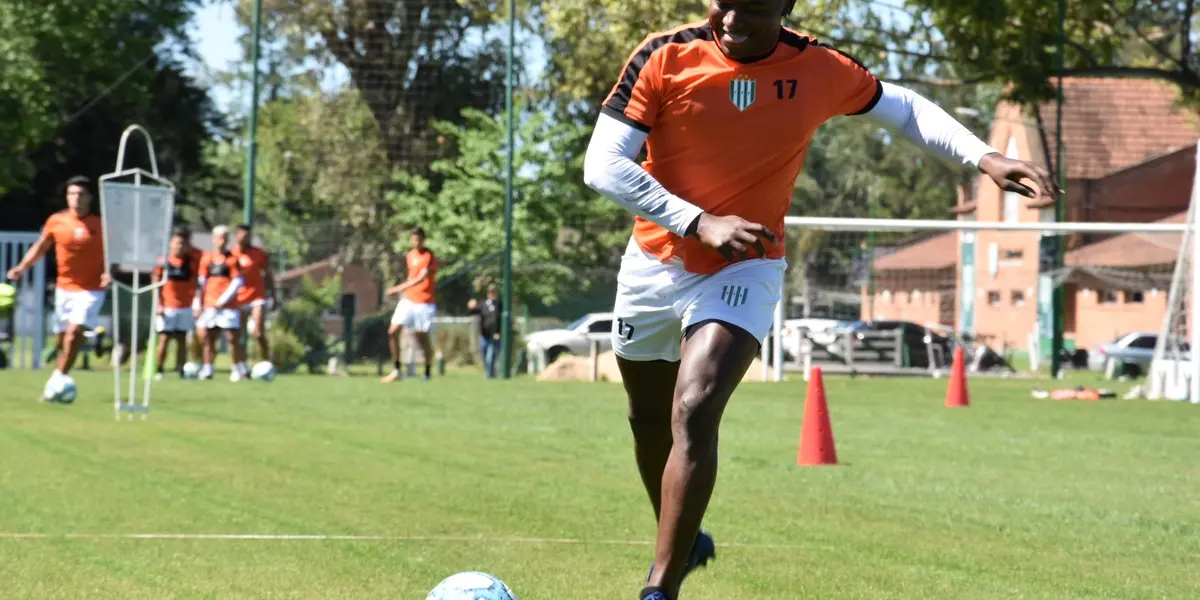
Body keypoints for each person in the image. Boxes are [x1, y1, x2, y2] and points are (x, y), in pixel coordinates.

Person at [582, 3, 1060, 600]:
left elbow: (902, 106)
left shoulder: (820, 67)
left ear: (784, 6)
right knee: (646, 418)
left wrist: (985, 157)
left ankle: (661, 587)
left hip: (747, 263)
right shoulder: (664, 56)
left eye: (751, 5)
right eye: (722, 0)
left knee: (696, 405)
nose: (731, 16)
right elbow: (602, 166)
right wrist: (696, 221)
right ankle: (681, 534)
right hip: (653, 262)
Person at [6, 176, 111, 400]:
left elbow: (115, 254)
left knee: (74, 333)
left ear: (90, 198)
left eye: (81, 194)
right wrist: (21, 267)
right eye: (72, 194)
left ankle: (59, 376)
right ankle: (66, 360)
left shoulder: (101, 225)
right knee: (63, 338)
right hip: (64, 289)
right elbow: (40, 247)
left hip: (91, 289)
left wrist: (109, 272)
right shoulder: (56, 221)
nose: (76, 199)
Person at [382, 227, 438, 383]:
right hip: (409, 299)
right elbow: (411, 276)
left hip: (424, 302)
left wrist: (397, 288)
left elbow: (421, 278)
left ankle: (427, 372)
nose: (416, 241)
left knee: (423, 338)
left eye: (419, 238)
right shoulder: (410, 255)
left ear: (423, 239)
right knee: (393, 331)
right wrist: (404, 291)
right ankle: (397, 370)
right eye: (414, 238)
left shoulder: (429, 256)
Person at [151, 228, 203, 379]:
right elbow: (155, 285)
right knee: (164, 339)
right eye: (177, 243)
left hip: (185, 307)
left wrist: (196, 303)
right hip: (167, 307)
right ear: (171, 244)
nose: (180, 246)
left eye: (183, 243)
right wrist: (158, 304)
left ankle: (181, 370)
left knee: (182, 340)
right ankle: (159, 370)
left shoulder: (191, 263)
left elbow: (196, 284)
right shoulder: (163, 262)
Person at [196, 225, 245, 381]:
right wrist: (199, 303)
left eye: (224, 238)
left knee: (232, 338)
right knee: (209, 338)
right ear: (213, 239)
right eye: (218, 237)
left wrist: (223, 300)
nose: (221, 241)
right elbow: (201, 283)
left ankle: (237, 369)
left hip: (228, 307)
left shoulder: (232, 259)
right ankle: (208, 368)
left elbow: (237, 281)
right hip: (210, 305)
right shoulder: (206, 259)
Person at [230, 223, 277, 369]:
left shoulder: (258, 253)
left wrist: (273, 295)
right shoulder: (231, 254)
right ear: (236, 236)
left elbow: (268, 274)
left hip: (257, 296)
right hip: (239, 298)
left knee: (258, 332)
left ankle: (266, 362)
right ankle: (242, 365)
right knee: (239, 335)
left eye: (248, 236)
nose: (245, 238)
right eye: (243, 235)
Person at [467, 284, 502, 378]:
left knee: (490, 356)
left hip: (494, 336)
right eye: (491, 292)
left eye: (494, 292)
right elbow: (472, 312)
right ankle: (490, 372)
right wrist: (471, 307)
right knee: (484, 354)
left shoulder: (499, 305)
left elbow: (501, 320)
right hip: (485, 335)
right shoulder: (483, 304)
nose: (492, 294)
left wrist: (499, 333)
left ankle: (489, 375)